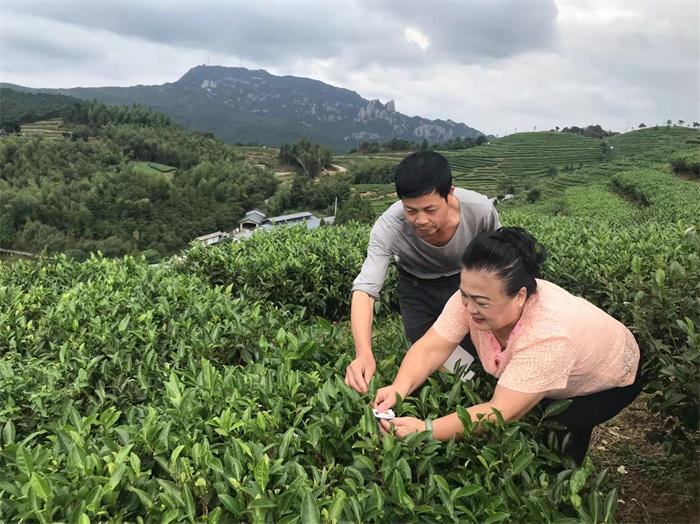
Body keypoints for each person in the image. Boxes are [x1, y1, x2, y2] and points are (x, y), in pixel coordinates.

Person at [373, 227, 643, 465]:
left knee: (558, 432)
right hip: (562, 351)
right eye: (465, 295)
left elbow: (500, 411)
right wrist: (400, 387)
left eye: (481, 301)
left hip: (609, 377)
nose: (469, 307)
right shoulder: (471, 298)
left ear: (520, 296)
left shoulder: (549, 336)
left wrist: (426, 429)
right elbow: (432, 346)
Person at [345, 151, 501, 394]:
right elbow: (365, 290)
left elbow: (501, 262)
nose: (420, 220)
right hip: (417, 288)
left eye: (430, 209)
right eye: (411, 211)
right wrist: (363, 354)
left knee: (484, 358)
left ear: (450, 193)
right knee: (453, 369)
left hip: (465, 284)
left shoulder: (479, 211)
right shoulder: (389, 226)